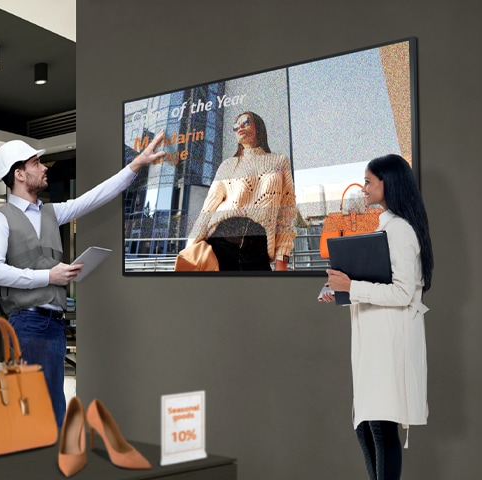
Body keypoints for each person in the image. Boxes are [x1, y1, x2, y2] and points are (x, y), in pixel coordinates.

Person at [0, 132, 166, 427]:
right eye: (35, 163)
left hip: (54, 323)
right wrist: (49, 275)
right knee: (36, 409)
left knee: (54, 409)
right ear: (19, 174)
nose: (44, 168)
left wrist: (137, 165)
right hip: (27, 324)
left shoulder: (52, 213)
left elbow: (94, 198)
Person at [320, 154, 434, 480]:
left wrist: (351, 286)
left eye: (369, 181)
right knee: (367, 427)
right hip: (373, 343)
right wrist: (338, 288)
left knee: (381, 428)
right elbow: (372, 278)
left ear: (388, 183)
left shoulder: (400, 230)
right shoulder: (383, 225)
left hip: (389, 344)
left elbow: (402, 292)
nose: (364, 187)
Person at [184, 111, 296, 271]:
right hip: (220, 244)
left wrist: (282, 262)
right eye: (236, 126)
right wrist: (190, 249)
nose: (240, 127)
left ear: (258, 126)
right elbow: (207, 210)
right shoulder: (228, 165)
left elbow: (286, 215)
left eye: (245, 122)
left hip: (258, 249)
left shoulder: (279, 161)